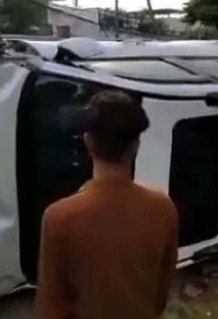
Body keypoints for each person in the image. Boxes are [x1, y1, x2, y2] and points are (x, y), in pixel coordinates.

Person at [35, 90, 179, 319]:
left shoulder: (58, 217)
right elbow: (161, 291)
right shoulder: (163, 208)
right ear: (135, 146)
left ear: (88, 140)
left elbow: (51, 304)